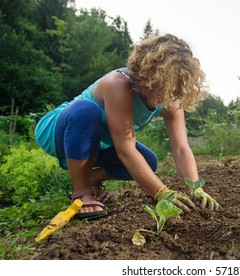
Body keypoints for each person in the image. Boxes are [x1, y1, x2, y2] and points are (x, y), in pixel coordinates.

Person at [35, 34, 220, 220]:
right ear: (146, 74)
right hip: (60, 131)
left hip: (97, 144)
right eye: (159, 86)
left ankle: (93, 179)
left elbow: (181, 149)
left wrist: (196, 188)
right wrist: (161, 192)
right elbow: (125, 149)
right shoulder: (119, 84)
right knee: (86, 110)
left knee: (149, 162)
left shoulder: (170, 99)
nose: (163, 95)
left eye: (171, 88)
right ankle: (82, 192)